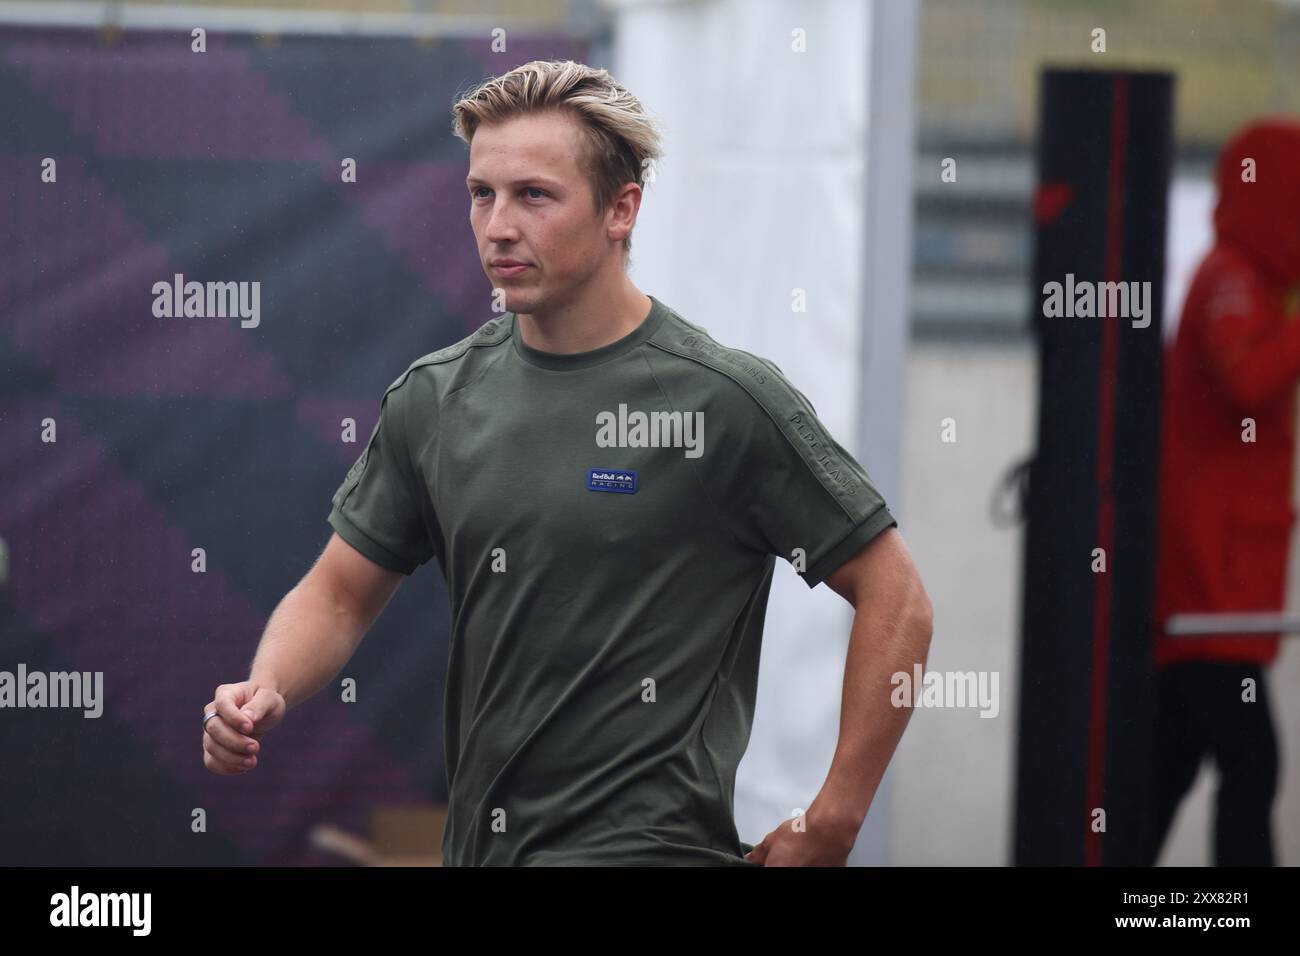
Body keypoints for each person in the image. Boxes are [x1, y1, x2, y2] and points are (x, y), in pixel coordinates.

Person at [201, 59, 933, 866]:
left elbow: (896, 597)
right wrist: (264, 685)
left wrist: (835, 816)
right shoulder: (435, 399)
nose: (498, 225)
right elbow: (339, 596)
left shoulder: (725, 402)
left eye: (534, 195)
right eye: (482, 193)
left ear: (622, 209)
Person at [1149, 117, 1300, 866]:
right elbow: (1249, 378)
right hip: (1210, 586)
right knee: (1251, 762)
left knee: (1166, 767)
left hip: (1221, 584)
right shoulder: (1233, 278)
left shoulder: (1253, 283)